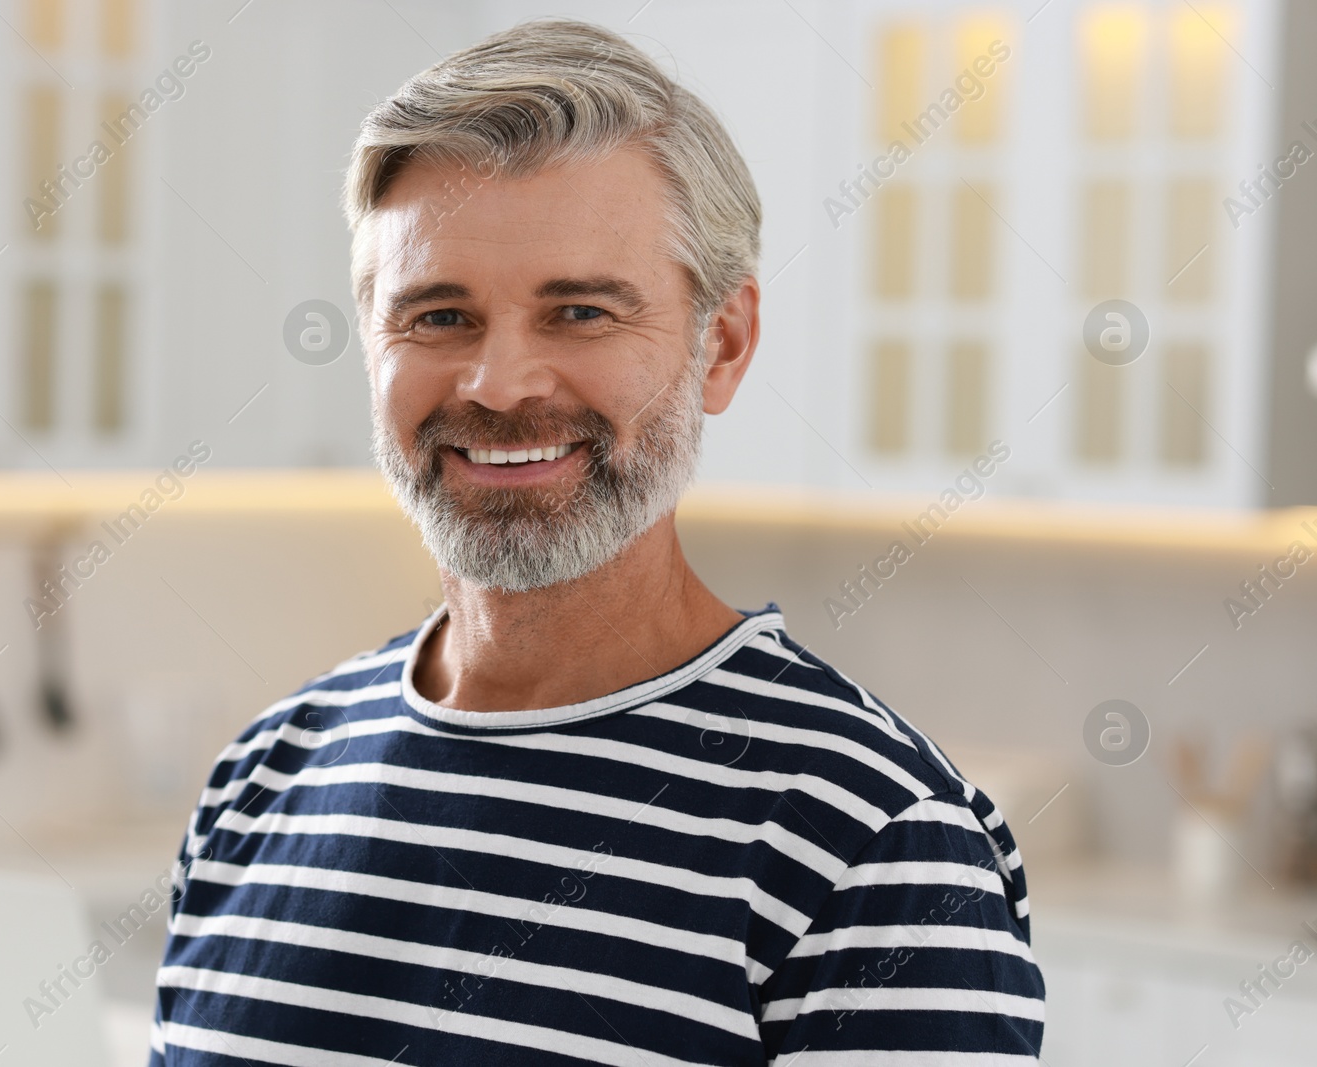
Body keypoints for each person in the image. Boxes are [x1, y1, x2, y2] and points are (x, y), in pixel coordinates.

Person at [149, 18, 1044, 1065]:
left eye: (578, 310)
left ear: (723, 342)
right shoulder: (256, 780)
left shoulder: (875, 847)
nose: (500, 382)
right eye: (438, 316)